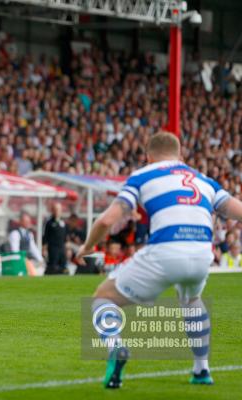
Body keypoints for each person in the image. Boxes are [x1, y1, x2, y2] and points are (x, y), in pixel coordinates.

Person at [76, 132, 242, 388]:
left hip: (165, 250)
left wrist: (87, 247)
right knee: (192, 300)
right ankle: (202, 370)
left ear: (148, 156)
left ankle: (115, 347)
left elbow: (107, 220)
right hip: (201, 254)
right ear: (179, 155)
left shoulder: (143, 175)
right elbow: (237, 211)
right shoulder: (203, 180)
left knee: (103, 298)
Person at [43, 202, 67, 274]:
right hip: (53, 248)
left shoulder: (63, 222)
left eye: (59, 210)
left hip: (62, 247)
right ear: (52, 211)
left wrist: (67, 248)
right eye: (55, 209)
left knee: (63, 265)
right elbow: (45, 236)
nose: (57, 211)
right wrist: (44, 248)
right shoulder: (49, 223)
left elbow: (65, 236)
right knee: (52, 266)